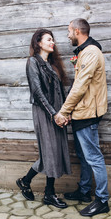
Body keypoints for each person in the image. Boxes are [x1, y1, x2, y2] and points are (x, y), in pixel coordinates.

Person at [55, 18, 109, 217]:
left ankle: (102, 200)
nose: (68, 35)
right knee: (84, 155)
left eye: (69, 31)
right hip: (81, 112)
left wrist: (64, 111)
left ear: (77, 31)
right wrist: (71, 112)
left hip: (88, 114)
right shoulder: (84, 52)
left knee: (94, 157)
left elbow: (80, 86)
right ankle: (85, 192)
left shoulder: (91, 52)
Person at [16, 28, 71, 209]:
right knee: (50, 151)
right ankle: (49, 194)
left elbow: (60, 93)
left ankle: (26, 181)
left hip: (56, 112)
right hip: (43, 112)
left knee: (53, 151)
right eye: (48, 39)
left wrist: (64, 112)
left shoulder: (53, 66)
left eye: (53, 39)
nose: (52, 42)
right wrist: (53, 113)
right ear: (38, 42)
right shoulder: (33, 62)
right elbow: (37, 92)